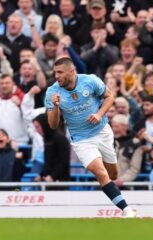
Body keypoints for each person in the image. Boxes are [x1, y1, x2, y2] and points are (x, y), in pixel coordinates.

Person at [45, 57, 137, 217]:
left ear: (71, 71)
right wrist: (56, 107)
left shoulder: (90, 81)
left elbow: (109, 97)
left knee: (113, 174)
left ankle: (122, 204)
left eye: (60, 72)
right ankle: (127, 210)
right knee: (100, 173)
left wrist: (99, 114)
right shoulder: (52, 92)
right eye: (55, 73)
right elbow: (53, 125)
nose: (57, 76)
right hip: (81, 140)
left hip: (102, 132)